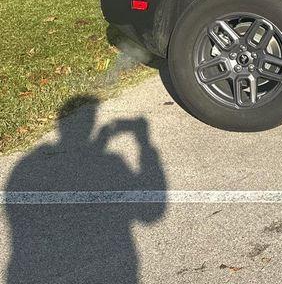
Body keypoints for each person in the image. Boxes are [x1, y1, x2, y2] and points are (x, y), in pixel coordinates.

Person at [4, 95, 166, 284]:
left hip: (30, 270)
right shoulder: (113, 163)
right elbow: (152, 213)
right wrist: (143, 141)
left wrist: (99, 144)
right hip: (111, 270)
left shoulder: (28, 164)